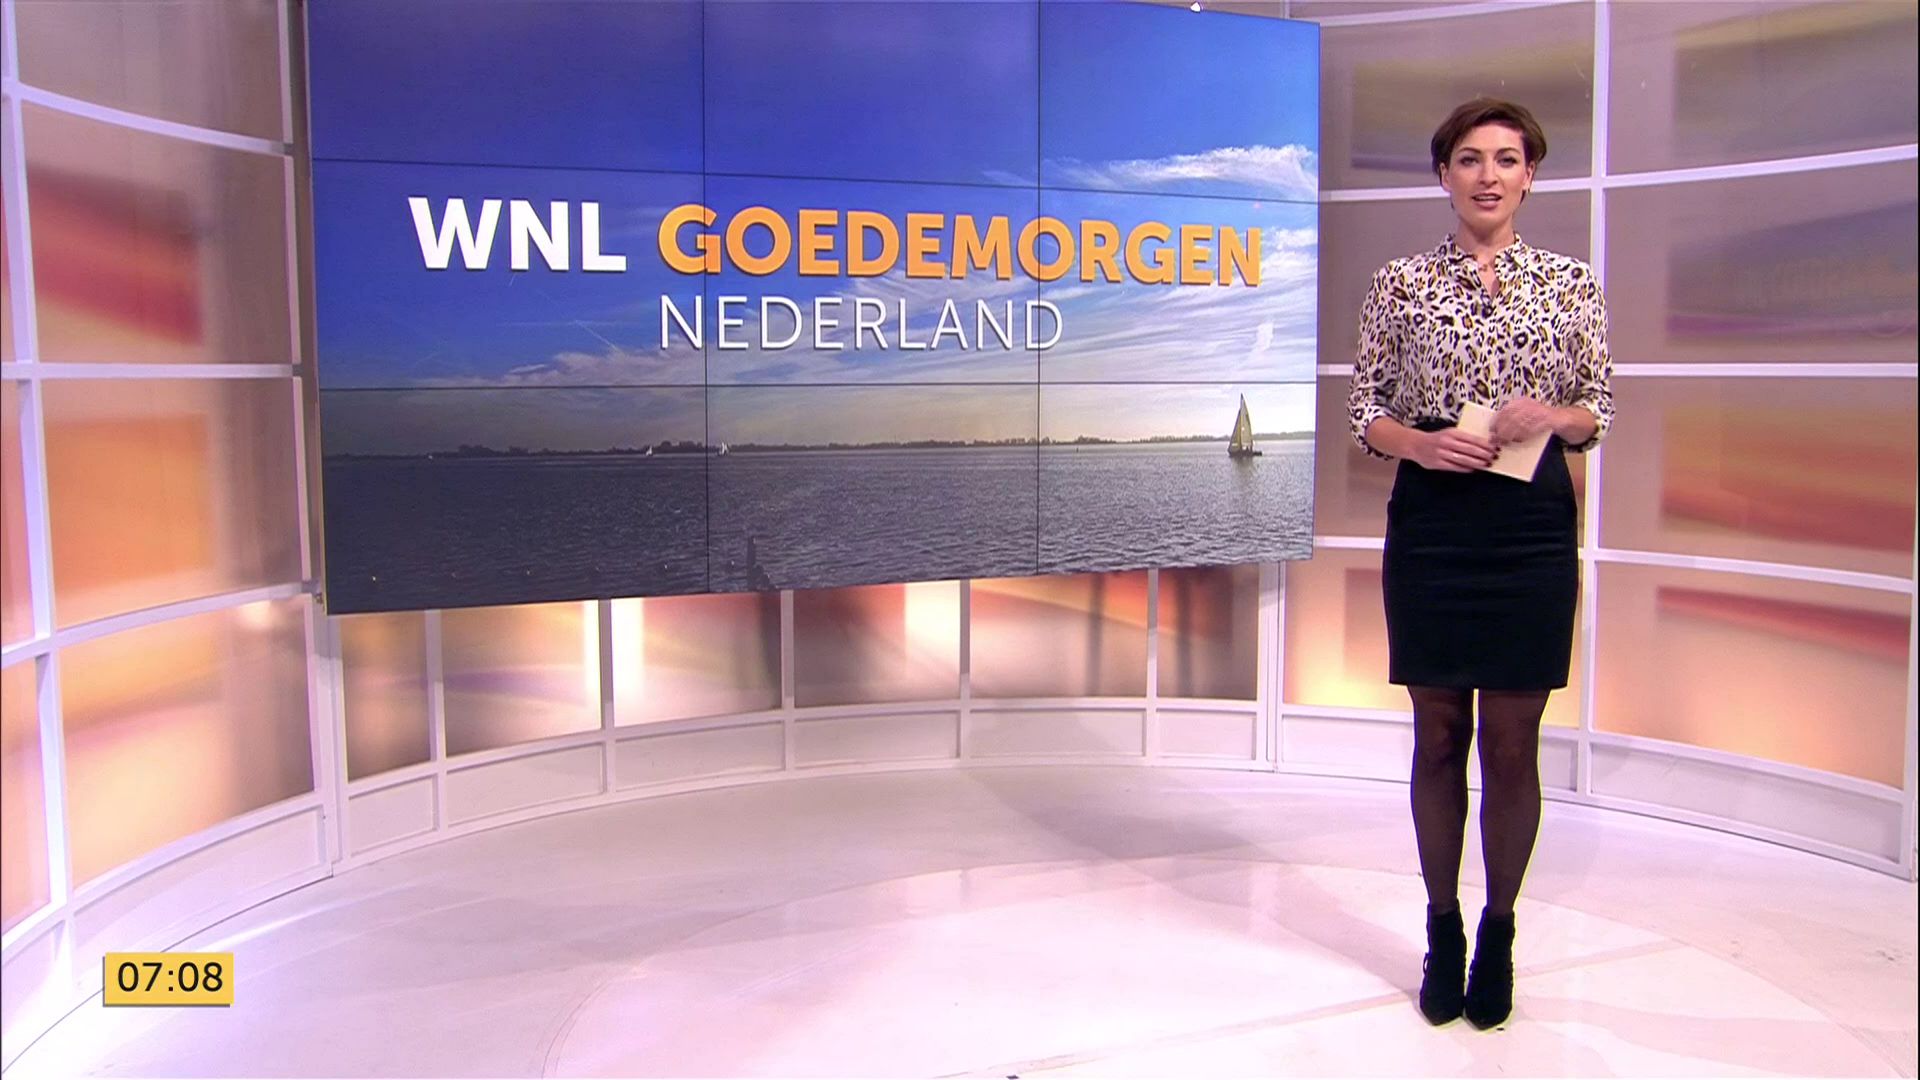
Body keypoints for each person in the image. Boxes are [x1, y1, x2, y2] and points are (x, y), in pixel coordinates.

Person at [1346, 98, 1614, 1030]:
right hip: (1434, 523)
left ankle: (1499, 930)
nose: (1487, 175)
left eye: (1506, 159)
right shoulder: (1400, 283)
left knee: (1510, 740)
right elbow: (1365, 410)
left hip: (1529, 525)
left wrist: (1555, 415)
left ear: (1530, 175)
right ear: (1444, 175)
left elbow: (1597, 408)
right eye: (1469, 158)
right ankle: (1443, 926)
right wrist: (1420, 445)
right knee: (1437, 735)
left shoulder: (1571, 284)